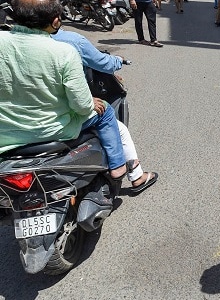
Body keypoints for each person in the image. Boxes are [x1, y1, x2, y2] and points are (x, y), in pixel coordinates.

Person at [0, 0, 127, 187]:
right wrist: (90, 102)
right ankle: (119, 167)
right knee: (106, 112)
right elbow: (82, 106)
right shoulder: (65, 51)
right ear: (55, 21)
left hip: (5, 136)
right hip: (53, 131)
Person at [52, 27, 159, 195]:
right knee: (114, 122)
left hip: (18, 128)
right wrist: (117, 60)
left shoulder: (8, 43)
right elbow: (101, 64)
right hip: (59, 120)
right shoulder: (69, 42)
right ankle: (129, 172)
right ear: (55, 18)